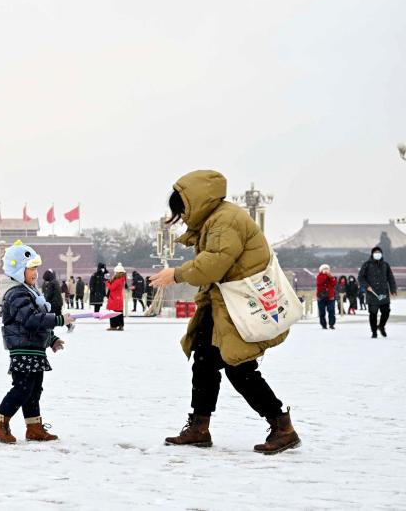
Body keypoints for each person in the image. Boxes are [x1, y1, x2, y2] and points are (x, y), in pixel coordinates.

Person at [150, 170, 300, 455]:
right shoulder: (215, 218)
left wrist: (177, 274)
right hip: (222, 304)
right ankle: (199, 427)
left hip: (239, 305)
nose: (181, 217)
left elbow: (214, 264)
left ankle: (283, 426)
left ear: (194, 202)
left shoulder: (225, 220)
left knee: (239, 367)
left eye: (182, 211)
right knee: (204, 360)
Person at [0, 241, 73, 444]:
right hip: (22, 349)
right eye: (30, 268)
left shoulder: (30, 292)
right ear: (17, 270)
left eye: (36, 268)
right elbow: (31, 320)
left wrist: (51, 339)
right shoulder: (16, 293)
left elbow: (38, 322)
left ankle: (33, 427)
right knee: (22, 388)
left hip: (34, 348)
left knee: (34, 389)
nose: (35, 273)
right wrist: (60, 319)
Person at [359, 246, 397, 339]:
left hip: (383, 292)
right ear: (372, 254)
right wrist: (366, 285)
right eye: (375, 252)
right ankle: (374, 331)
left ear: (381, 254)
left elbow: (390, 278)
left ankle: (381, 326)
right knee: (373, 313)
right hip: (372, 293)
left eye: (379, 252)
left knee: (386, 312)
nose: (377, 254)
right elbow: (361, 277)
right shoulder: (366, 264)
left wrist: (393, 289)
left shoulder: (385, 265)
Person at [315, 264, 337, 330]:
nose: (326, 270)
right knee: (322, 312)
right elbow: (319, 282)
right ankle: (323, 325)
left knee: (331, 311)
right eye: (324, 269)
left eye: (327, 269)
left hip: (330, 296)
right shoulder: (319, 276)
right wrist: (325, 275)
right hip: (321, 297)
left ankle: (331, 324)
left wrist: (331, 276)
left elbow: (334, 283)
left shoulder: (331, 276)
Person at [107, 264, 126, 330]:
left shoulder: (118, 280)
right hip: (118, 298)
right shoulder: (121, 279)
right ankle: (120, 325)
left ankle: (113, 326)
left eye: (115, 272)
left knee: (113, 312)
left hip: (114, 298)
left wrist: (107, 283)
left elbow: (111, 288)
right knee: (119, 312)